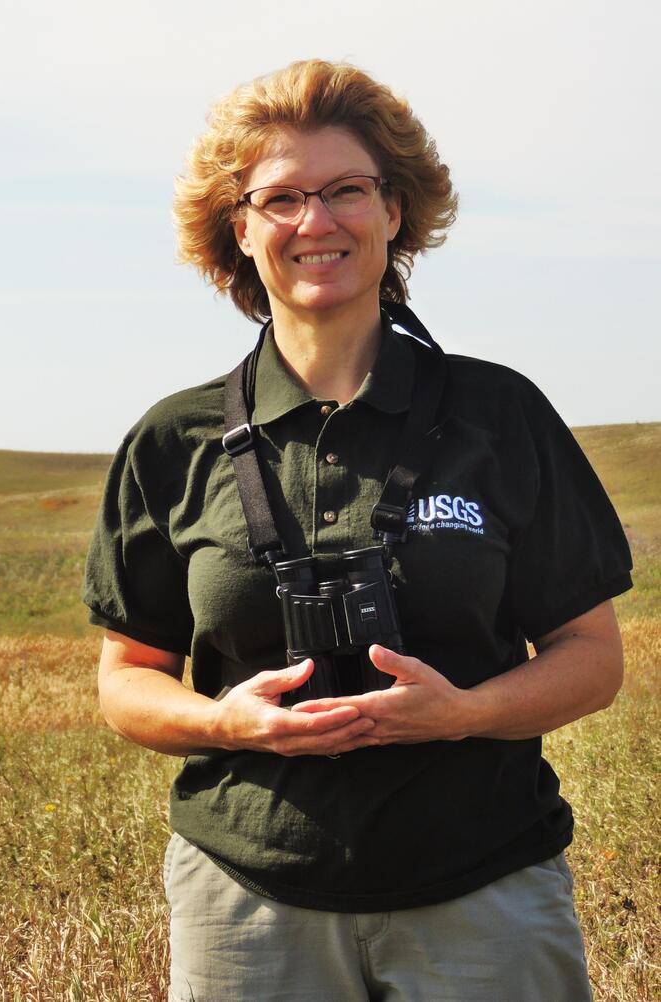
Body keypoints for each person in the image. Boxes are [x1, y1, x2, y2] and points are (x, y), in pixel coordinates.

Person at [81, 59, 632, 1002]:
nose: (316, 222)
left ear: (394, 212)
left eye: (346, 190)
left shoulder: (499, 414)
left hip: (486, 886)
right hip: (246, 903)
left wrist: (465, 713)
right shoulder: (175, 440)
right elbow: (128, 678)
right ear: (240, 228)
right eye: (281, 197)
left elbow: (591, 656)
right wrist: (228, 723)